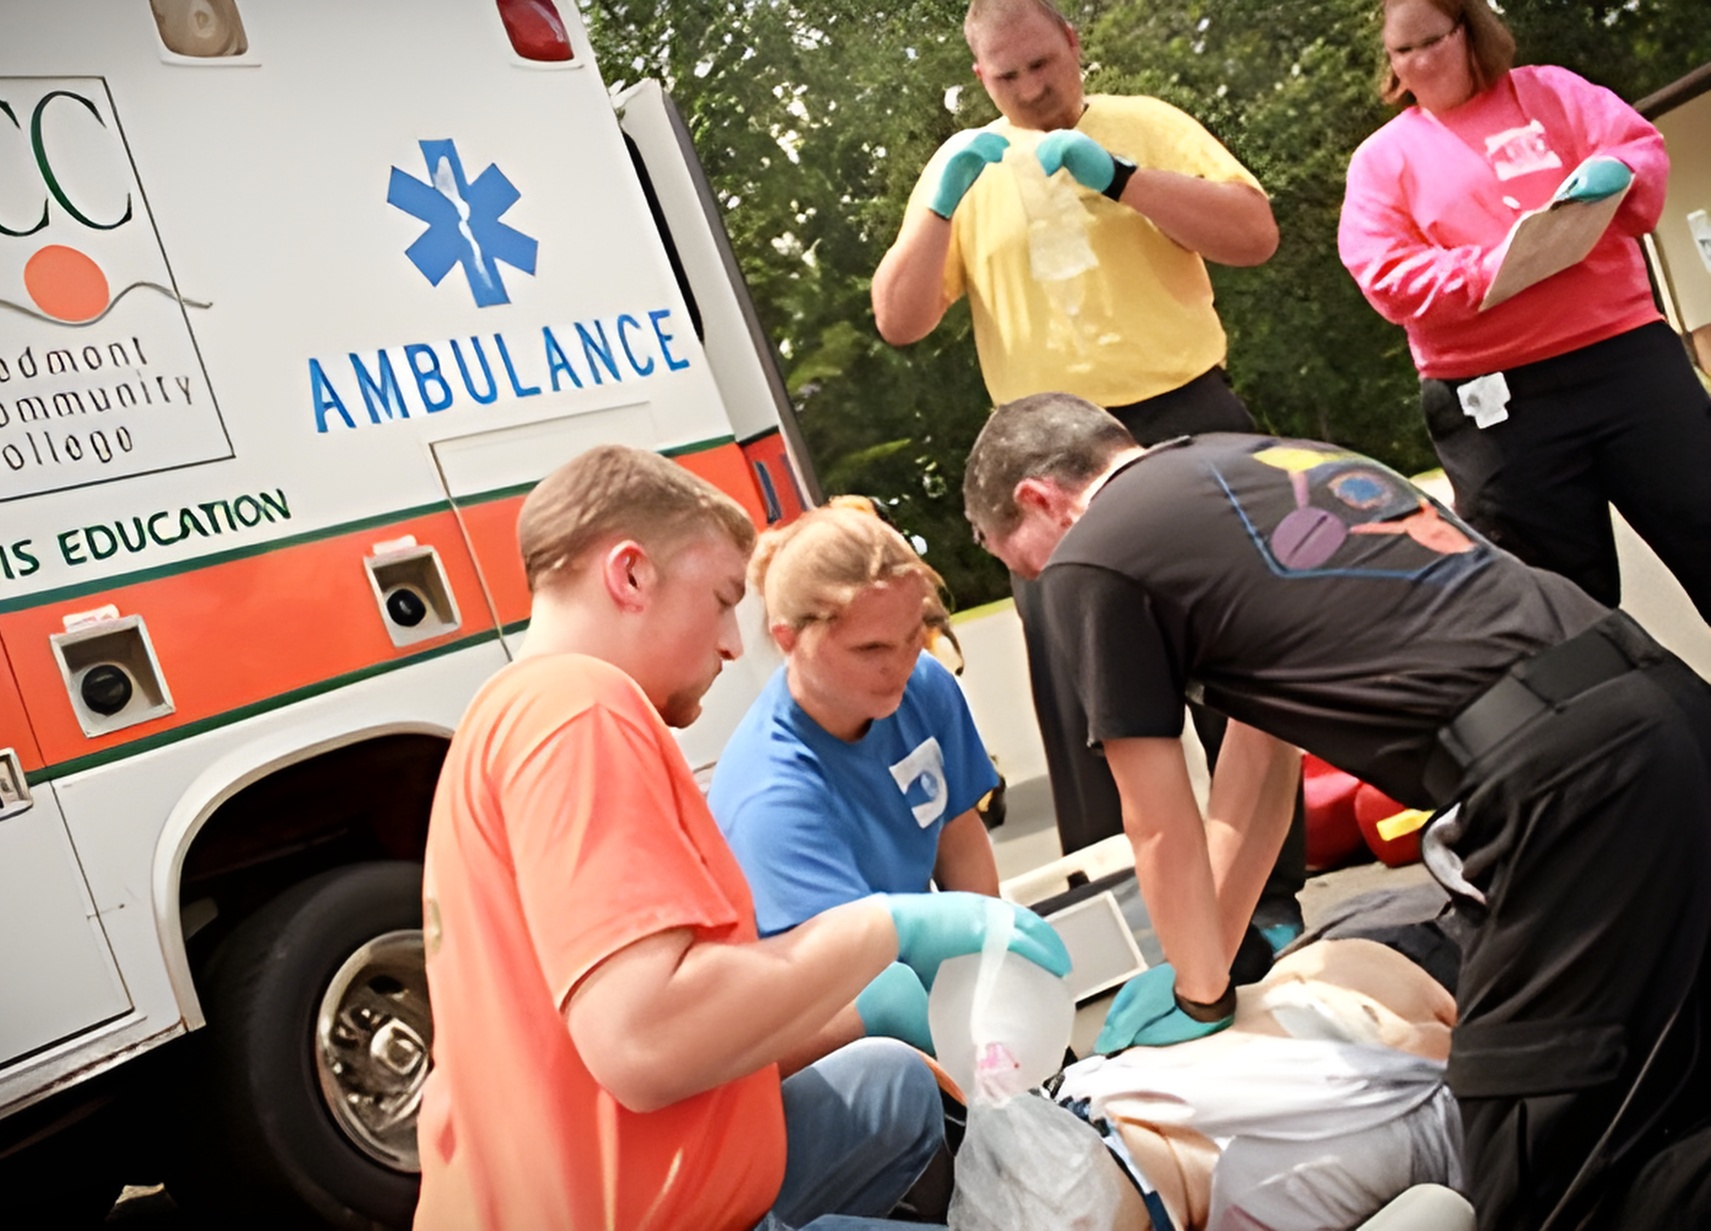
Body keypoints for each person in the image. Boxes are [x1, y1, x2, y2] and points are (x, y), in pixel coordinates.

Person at [961, 391, 1711, 1231]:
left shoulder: (1091, 554)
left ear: (1037, 499)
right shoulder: (1246, 465)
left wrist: (1203, 998)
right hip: (1660, 706)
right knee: (1670, 1081)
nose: (1029, 582)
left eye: (1012, 561)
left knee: (1540, 1166)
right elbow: (1258, 767)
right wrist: (1197, 968)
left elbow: (1157, 818)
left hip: (1565, 779)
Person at [412, 444, 1070, 1231]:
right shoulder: (582, 711)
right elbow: (645, 1041)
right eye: (722, 598)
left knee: (889, 1085)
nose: (732, 641)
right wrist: (887, 930)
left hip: (595, 1186)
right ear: (630, 576)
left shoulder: (507, 715)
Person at [870, 0, 1304, 934]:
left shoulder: (1145, 123)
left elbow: (1253, 235)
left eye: (1041, 65)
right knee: (1087, 697)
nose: (1031, 91)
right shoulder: (965, 166)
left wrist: (1126, 179)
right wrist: (940, 202)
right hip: (1044, 455)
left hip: (1181, 414)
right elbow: (898, 319)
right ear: (980, 77)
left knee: (1238, 658)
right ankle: (1135, 921)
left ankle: (1267, 900)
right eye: (1006, 77)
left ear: (1072, 43)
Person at [1338, 0, 1711, 625]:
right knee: (1554, 606)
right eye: (1403, 51)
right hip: (1496, 403)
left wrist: (1615, 170)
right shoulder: (1381, 160)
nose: (1421, 62)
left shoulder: (1553, 93)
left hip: (1626, 359)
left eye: (1433, 40)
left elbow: (1638, 150)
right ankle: (1620, 719)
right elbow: (1387, 278)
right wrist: (1492, 268)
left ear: (1471, 31)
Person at [709, 505, 1001, 961]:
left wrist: (992, 958)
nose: (899, 663)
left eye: (911, 636)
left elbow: (958, 837)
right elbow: (847, 970)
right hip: (840, 1004)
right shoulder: (769, 794)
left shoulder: (924, 687)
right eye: (870, 649)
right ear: (788, 639)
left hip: (923, 971)